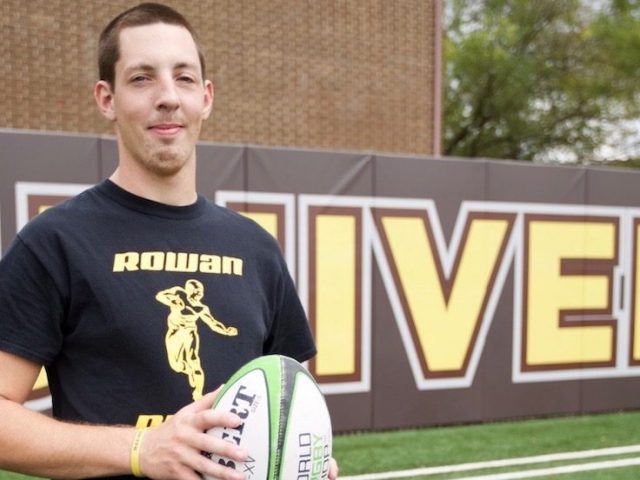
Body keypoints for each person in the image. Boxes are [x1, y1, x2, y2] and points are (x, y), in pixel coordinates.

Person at [0, 3, 338, 480]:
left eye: (183, 78)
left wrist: (307, 458)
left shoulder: (256, 248)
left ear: (206, 97)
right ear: (106, 99)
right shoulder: (55, 241)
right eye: (142, 78)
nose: (167, 98)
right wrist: (141, 448)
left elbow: (293, 401)